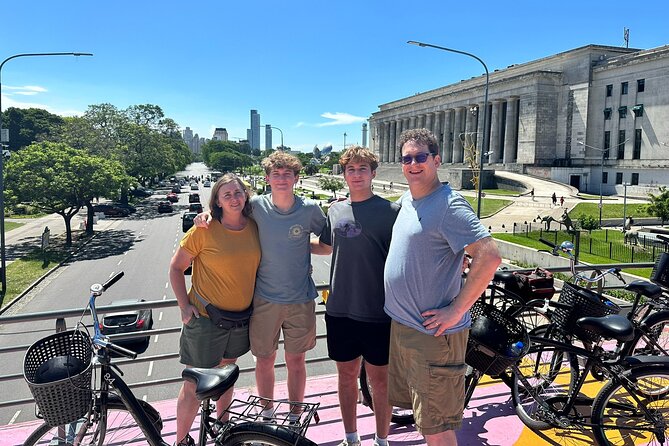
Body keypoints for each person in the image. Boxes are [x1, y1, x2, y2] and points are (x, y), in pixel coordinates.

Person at [384, 128, 501, 445]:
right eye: (407, 158)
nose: (413, 164)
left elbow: (489, 256)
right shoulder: (408, 200)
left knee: (438, 428)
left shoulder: (448, 204)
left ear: (436, 160)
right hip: (406, 328)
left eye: (421, 157)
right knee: (425, 421)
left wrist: (456, 310)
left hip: (434, 335)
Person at [194, 151, 326, 419]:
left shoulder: (311, 210)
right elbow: (227, 208)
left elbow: (325, 244)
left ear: (297, 178)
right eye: (275, 174)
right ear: (267, 178)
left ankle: (294, 416)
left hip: (301, 299)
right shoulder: (255, 206)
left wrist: (301, 246)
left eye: (287, 174)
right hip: (264, 300)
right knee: (264, 361)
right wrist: (205, 214)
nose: (281, 179)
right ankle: (267, 415)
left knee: (296, 362)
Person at [313, 146, 400, 446]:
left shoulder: (391, 212)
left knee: (379, 382)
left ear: (373, 173)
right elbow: (327, 246)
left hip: (378, 312)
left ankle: (381, 439)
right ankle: (351, 438)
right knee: (347, 378)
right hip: (339, 310)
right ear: (344, 174)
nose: (357, 174)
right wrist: (291, 243)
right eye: (351, 169)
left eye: (363, 169)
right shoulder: (335, 209)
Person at [169, 174, 261, 446]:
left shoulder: (254, 226)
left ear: (245, 195)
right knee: (193, 385)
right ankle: (182, 440)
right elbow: (176, 268)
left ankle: (222, 429)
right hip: (207, 319)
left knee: (226, 376)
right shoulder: (204, 229)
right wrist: (184, 306)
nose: (234, 198)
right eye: (227, 195)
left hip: (239, 320)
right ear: (217, 202)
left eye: (238, 193)